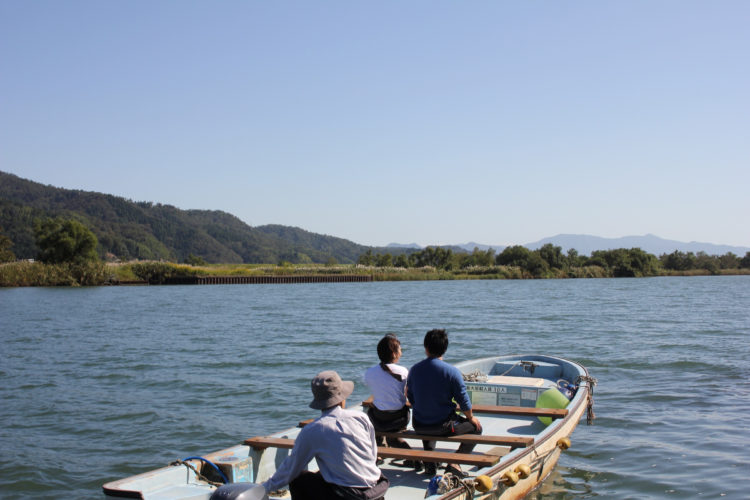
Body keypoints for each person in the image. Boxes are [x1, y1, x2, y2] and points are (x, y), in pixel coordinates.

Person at [262, 371, 389, 500]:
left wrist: (264, 488)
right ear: (342, 398)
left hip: (350, 496)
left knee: (299, 479)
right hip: (376, 490)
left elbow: (290, 470)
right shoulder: (361, 418)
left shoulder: (313, 430)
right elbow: (372, 454)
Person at [406, 329, 482, 477]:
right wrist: (471, 417)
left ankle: (430, 464)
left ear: (425, 347)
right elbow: (463, 401)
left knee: (426, 417)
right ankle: (455, 463)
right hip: (444, 427)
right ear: (445, 349)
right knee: (477, 429)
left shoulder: (414, 370)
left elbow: (411, 396)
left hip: (419, 425)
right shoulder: (451, 372)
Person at [363, 334, 421, 469]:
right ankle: (413, 457)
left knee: (371, 409)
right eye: (400, 349)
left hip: (379, 420)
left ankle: (378, 450)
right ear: (394, 354)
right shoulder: (403, 371)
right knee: (392, 437)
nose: (401, 352)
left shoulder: (370, 372)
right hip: (399, 419)